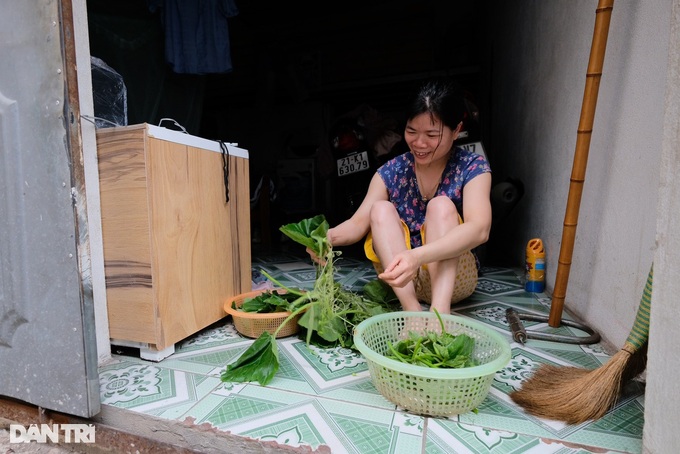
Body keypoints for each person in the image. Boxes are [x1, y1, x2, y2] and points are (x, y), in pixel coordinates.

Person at [309, 77, 492, 314]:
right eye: (411, 131)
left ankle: (440, 313)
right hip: (401, 279)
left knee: (441, 207)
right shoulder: (392, 170)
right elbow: (357, 224)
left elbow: (480, 228)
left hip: (454, 280)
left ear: (456, 130)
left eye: (432, 135)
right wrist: (324, 239)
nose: (419, 143)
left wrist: (416, 256)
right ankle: (411, 311)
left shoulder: (472, 167)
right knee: (380, 209)